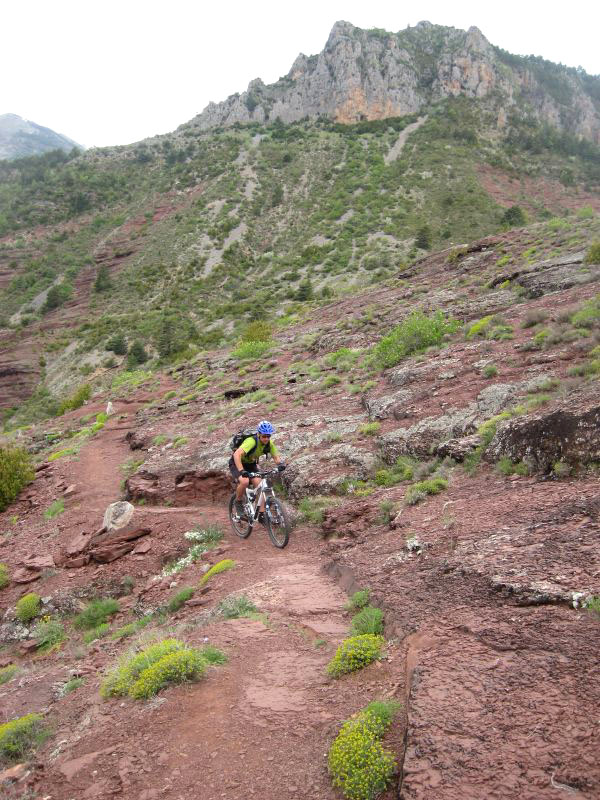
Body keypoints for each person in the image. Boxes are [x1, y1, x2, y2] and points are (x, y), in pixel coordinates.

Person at [229, 420, 285, 524]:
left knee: (261, 485)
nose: (266, 439)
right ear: (259, 434)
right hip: (237, 463)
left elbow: (276, 458)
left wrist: (281, 464)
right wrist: (241, 471)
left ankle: (261, 514)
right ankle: (238, 502)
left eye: (268, 436)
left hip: (251, 464)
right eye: (264, 436)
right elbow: (237, 455)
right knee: (244, 481)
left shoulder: (269, 444)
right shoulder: (251, 441)